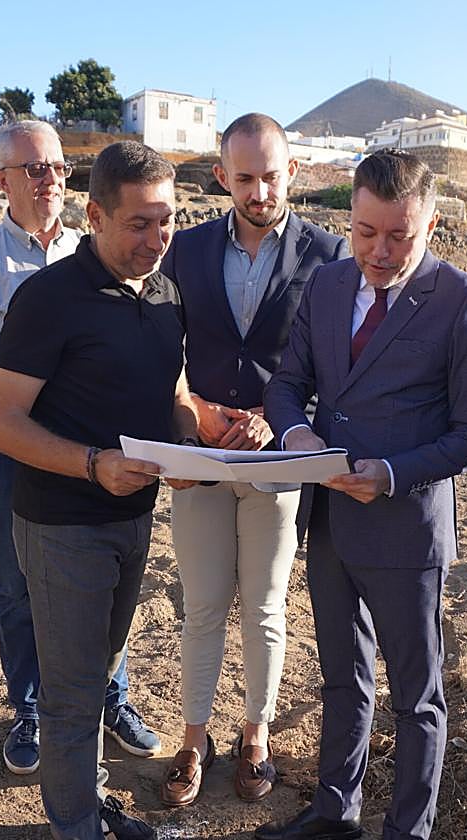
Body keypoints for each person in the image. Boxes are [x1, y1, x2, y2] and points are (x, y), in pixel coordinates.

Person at [258, 149, 467, 840]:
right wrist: (299, 435)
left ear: (432, 223)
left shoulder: (463, 300)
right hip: (330, 522)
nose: (380, 251)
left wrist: (391, 473)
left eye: (400, 235)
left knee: (415, 698)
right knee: (341, 677)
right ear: (352, 217)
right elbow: (285, 384)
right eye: (366, 232)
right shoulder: (329, 284)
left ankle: (408, 830)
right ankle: (336, 812)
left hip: (406, 531)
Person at [0, 140, 198, 840]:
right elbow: (1, 424)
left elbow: (172, 390)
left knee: (102, 675)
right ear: (94, 215)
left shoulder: (165, 292)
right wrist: (91, 464)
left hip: (135, 518)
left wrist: (198, 439)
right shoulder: (47, 298)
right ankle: (76, 826)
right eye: (139, 224)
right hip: (62, 523)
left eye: (166, 222)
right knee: (72, 698)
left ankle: (89, 808)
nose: (156, 239)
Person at [0, 120, 160, 774]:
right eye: (33, 168)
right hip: (10, 448)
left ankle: (109, 699)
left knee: (108, 575)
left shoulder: (99, 250)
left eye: (58, 168)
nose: (49, 179)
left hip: (97, 443)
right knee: (16, 581)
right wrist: (51, 403)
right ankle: (32, 708)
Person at [156, 112, 348, 807]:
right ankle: (192, 737)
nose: (260, 190)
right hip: (201, 458)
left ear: (292, 171)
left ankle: (256, 735)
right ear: (221, 177)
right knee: (202, 607)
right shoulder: (185, 250)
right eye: (245, 178)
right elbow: (162, 350)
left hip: (277, 465)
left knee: (266, 608)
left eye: (271, 175)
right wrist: (196, 417)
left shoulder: (331, 256)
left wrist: (281, 419)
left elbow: (337, 366)